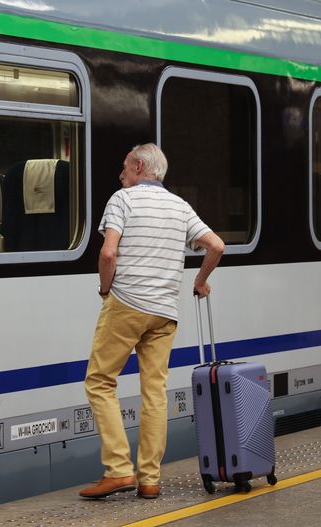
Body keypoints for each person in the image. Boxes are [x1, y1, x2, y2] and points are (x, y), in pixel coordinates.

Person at [79, 143, 225, 500]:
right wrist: (200, 281)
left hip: (127, 304)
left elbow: (108, 251)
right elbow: (217, 246)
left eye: (125, 168)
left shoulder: (122, 200)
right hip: (164, 312)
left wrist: (104, 288)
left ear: (140, 166)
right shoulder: (180, 206)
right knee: (155, 392)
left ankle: (117, 471)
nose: (121, 175)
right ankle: (149, 479)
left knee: (99, 381)